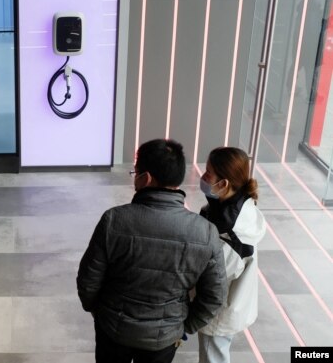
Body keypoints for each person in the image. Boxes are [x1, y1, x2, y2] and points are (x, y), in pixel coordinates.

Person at [77, 138, 227, 363]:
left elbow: (88, 279)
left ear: (145, 178)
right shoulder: (205, 232)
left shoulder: (114, 220)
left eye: (134, 172)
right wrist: (183, 326)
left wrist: (99, 312)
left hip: (113, 331)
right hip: (164, 339)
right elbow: (215, 296)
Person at [197, 147, 267, 363]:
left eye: (208, 173)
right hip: (227, 303)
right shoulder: (232, 205)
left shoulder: (230, 233)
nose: (203, 176)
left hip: (219, 309)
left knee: (213, 356)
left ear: (224, 183)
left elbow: (215, 279)